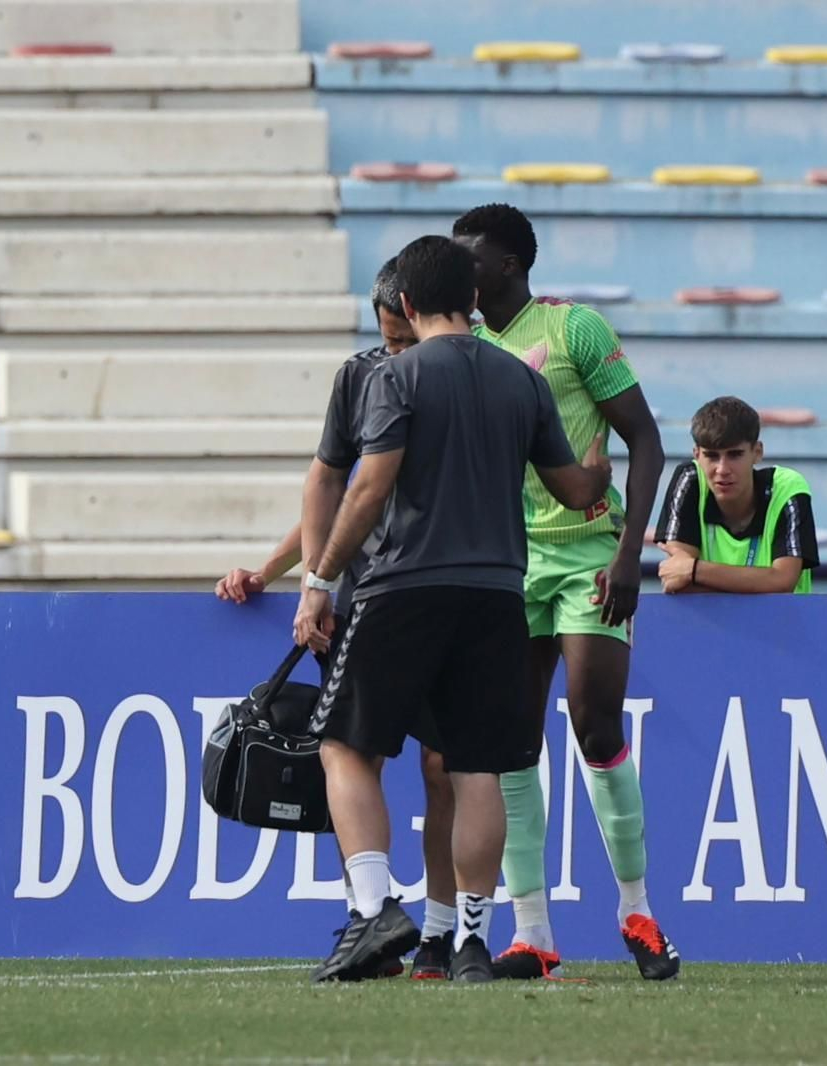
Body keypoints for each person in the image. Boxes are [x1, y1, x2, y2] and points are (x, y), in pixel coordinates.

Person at [293, 235, 612, 983]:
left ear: (405, 304)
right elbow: (573, 491)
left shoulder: (395, 377)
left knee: (343, 744)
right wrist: (599, 473)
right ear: (472, 301)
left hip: (405, 585)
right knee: (478, 771)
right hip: (499, 593)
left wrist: (319, 576)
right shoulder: (521, 382)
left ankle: (375, 911)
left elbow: (368, 488)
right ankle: (471, 939)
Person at [452, 204, 677, 981]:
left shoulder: (576, 328)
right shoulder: (467, 344)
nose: (463, 274)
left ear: (510, 263)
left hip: (588, 554)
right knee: (512, 738)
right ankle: (534, 935)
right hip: (509, 566)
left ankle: (637, 912)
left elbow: (645, 439)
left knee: (592, 719)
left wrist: (629, 554)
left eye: (472, 260)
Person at [214, 259, 457, 980]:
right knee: (356, 758)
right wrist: (286, 575)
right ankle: (370, 927)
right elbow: (336, 490)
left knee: (444, 768)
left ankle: (438, 939)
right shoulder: (361, 377)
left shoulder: (461, 382)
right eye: (386, 342)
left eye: (404, 342)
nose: (396, 356)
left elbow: (367, 490)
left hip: (434, 596)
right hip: (362, 600)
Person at [655, 397, 820, 594]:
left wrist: (695, 569)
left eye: (735, 455)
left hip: (782, 624)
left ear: (757, 452)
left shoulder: (788, 487)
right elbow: (678, 582)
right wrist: (762, 583)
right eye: (712, 456)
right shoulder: (689, 478)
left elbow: (784, 581)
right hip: (709, 625)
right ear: (697, 455)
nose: (722, 469)